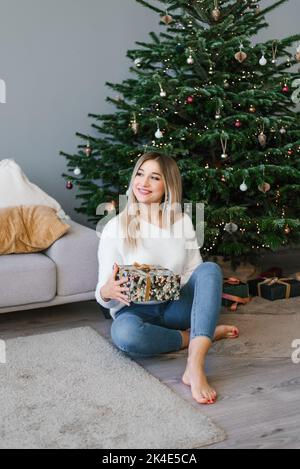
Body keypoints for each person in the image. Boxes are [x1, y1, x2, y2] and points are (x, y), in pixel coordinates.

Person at [95, 152, 239, 405]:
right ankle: (196, 336)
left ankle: (195, 365)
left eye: (154, 178)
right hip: (135, 312)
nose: (143, 183)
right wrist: (106, 291)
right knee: (125, 335)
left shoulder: (181, 221)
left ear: (167, 186)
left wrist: (166, 282)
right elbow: (103, 293)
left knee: (210, 270)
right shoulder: (115, 227)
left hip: (175, 306)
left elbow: (195, 271)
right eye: (140, 174)